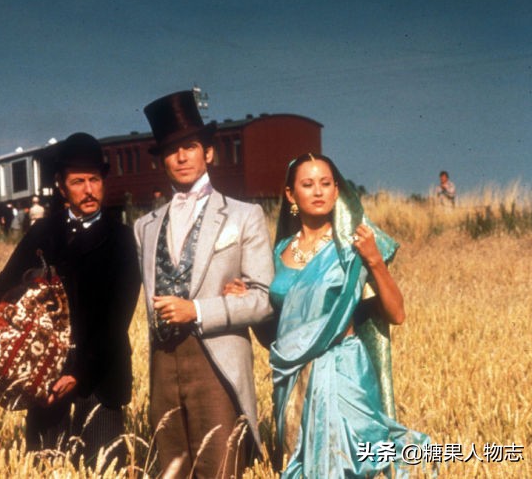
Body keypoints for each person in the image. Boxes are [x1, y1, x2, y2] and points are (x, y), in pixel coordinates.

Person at [226, 153, 430, 477]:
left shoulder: (352, 248)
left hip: (342, 370)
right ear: (291, 195)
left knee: (347, 463)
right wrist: (246, 300)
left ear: (337, 190)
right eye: (308, 184)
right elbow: (276, 329)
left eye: (326, 183)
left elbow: (397, 314)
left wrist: (374, 261)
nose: (318, 191)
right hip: (292, 378)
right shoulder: (279, 253)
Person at [0, 132, 141, 469]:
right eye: (78, 182)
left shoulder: (122, 238)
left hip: (100, 374)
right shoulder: (44, 231)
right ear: (61, 186)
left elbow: (117, 318)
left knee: (104, 469)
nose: (89, 190)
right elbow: (4, 281)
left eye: (94, 180)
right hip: (41, 371)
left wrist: (79, 372)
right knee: (45, 467)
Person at [133, 91, 274, 479]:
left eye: (190, 147)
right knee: (172, 469)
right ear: (162, 159)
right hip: (163, 364)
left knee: (219, 469)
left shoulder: (244, 216)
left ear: (208, 153)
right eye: (171, 150)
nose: (181, 157)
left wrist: (197, 310)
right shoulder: (144, 227)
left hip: (217, 361)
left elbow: (264, 299)